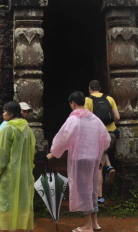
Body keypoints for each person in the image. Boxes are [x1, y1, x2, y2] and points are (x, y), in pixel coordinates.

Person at [48, 91, 110, 232]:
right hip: (93, 158)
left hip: (81, 159)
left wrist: (54, 152)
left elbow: (63, 137)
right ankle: (95, 223)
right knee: (93, 189)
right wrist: (99, 156)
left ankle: (88, 225)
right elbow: (106, 139)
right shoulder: (94, 119)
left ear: (73, 103)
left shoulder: (74, 119)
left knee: (83, 191)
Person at [0, 101, 35, 232]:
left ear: (11, 113)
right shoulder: (27, 128)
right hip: (25, 171)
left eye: (5, 111)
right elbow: (32, 150)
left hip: (10, 171)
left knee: (6, 202)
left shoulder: (8, 129)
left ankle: (7, 227)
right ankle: (20, 227)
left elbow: (2, 153)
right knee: (23, 201)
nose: (3, 114)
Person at [84, 80, 120, 204]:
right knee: (104, 153)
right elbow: (117, 117)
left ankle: (99, 196)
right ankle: (109, 167)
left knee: (99, 165)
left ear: (89, 88)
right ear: (100, 88)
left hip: (96, 134)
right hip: (111, 133)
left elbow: (85, 119)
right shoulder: (109, 99)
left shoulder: (87, 100)